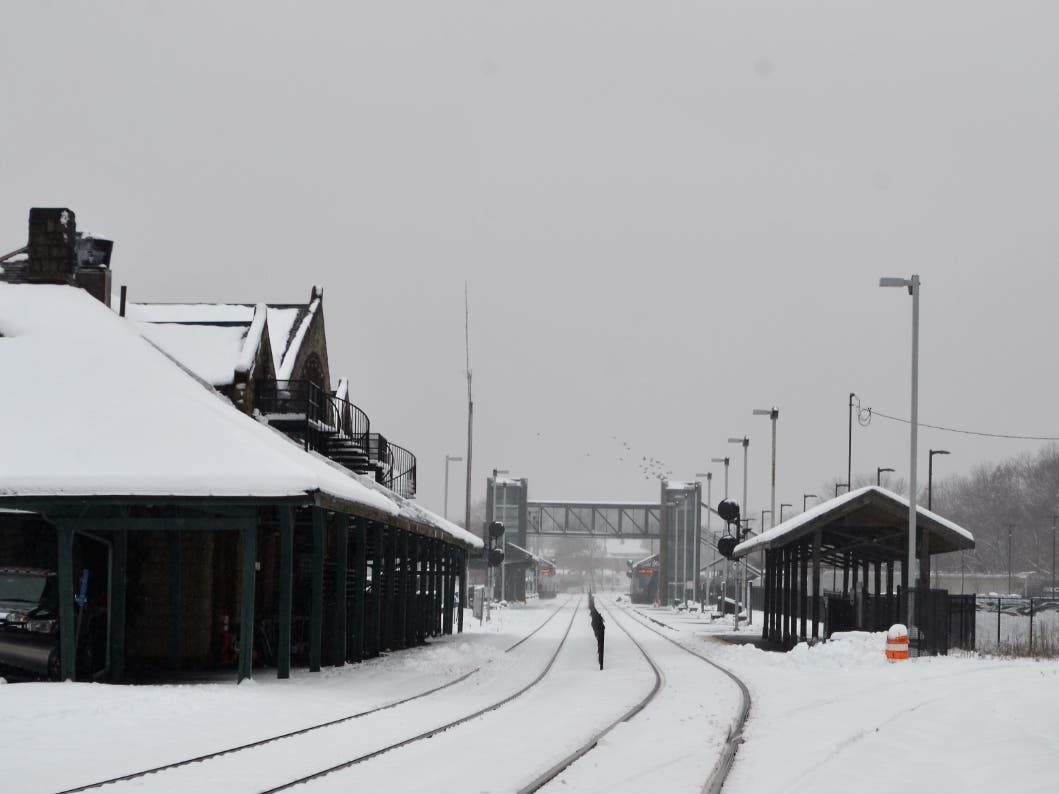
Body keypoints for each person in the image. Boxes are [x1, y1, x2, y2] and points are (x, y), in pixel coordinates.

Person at [590, 600, 605, 670]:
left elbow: (595, 627)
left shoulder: (594, 621)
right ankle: (601, 662)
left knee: (601, 646)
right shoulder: (596, 619)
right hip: (601, 632)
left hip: (600, 632)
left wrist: (596, 634)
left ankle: (601, 663)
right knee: (601, 646)